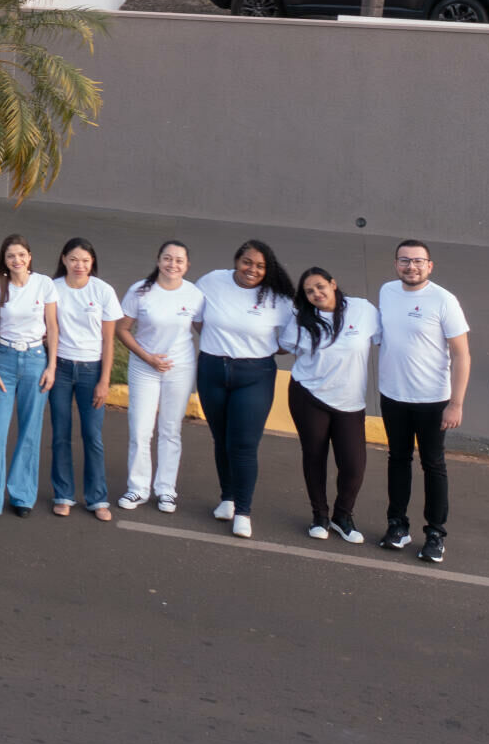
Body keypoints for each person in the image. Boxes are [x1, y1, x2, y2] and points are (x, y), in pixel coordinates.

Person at [375, 240, 470, 564]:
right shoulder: (387, 292)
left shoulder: (443, 300)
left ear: (430, 266)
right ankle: (398, 526)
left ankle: (435, 535)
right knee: (398, 460)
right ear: (396, 264)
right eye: (404, 260)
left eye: (418, 261)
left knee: (433, 464)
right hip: (393, 396)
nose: (411, 266)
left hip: (432, 401)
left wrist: (455, 404)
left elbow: (461, 354)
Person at [195, 239, 294, 539]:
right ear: (236, 260)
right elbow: (198, 319)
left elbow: (289, 340)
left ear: (269, 269)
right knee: (221, 438)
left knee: (244, 445)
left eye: (260, 266)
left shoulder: (278, 298)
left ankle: (244, 511)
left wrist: (254, 349)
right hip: (212, 369)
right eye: (247, 262)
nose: (252, 269)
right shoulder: (212, 281)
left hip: (255, 374)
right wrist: (220, 343)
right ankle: (227, 498)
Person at [284, 267, 379, 544]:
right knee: (314, 457)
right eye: (309, 291)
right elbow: (284, 345)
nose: (316, 294)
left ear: (333, 284)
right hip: (309, 396)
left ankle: (342, 516)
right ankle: (320, 516)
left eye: (320, 287)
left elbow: (387, 339)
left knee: (353, 465)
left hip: (350, 402)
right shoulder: (301, 319)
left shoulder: (362, 310)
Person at [0, 234, 58, 522]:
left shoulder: (44, 284)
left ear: (30, 256)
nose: (17, 260)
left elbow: (53, 327)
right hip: (6, 362)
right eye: (11, 256)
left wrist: (52, 366)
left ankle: (22, 495)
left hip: (36, 360)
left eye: (21, 254)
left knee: (29, 431)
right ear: (5, 260)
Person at [116, 241, 203, 514]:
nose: (172, 264)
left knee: (170, 430)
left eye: (179, 260)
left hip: (180, 368)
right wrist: (148, 357)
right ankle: (137, 489)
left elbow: (205, 330)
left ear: (187, 265)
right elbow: (123, 330)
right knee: (141, 430)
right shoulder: (140, 290)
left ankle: (166, 490)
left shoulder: (194, 295)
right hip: (144, 367)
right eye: (167, 258)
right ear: (158, 260)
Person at [49, 237, 120, 522]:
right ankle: (63, 495)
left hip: (92, 371)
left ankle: (97, 498)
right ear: (64, 259)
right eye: (74, 259)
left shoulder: (103, 291)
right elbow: (46, 326)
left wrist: (105, 380)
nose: (80, 265)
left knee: (92, 436)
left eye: (86, 260)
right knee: (60, 434)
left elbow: (109, 342)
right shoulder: (52, 289)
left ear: (92, 263)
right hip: (61, 368)